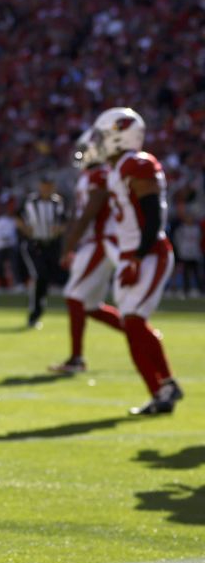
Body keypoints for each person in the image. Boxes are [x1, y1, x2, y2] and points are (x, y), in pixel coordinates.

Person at [90, 107, 182, 415]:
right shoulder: (117, 169)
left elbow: (153, 215)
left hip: (150, 252)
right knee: (131, 324)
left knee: (132, 320)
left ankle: (166, 384)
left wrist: (138, 256)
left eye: (103, 137)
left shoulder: (137, 164)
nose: (99, 143)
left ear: (119, 136)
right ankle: (160, 392)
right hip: (132, 254)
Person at [53, 129, 123, 373]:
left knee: (74, 296)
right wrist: (70, 244)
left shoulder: (100, 175)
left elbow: (88, 215)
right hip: (92, 242)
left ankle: (76, 359)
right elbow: (77, 216)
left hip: (101, 241)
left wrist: (69, 246)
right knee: (91, 306)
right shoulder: (88, 176)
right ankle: (141, 333)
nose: (80, 153)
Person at [16, 178, 67, 328]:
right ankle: (34, 312)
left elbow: (65, 221)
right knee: (39, 275)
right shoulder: (30, 201)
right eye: (44, 186)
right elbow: (17, 217)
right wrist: (26, 230)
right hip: (34, 244)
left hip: (51, 245)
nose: (47, 189)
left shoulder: (58, 202)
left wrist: (59, 230)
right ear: (40, 186)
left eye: (50, 186)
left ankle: (38, 310)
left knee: (45, 278)